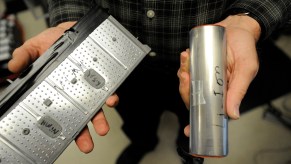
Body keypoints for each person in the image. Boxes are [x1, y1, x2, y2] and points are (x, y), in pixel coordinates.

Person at [8, 0, 291, 163]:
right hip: (118, 60)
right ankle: (143, 142)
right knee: (135, 117)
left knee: (195, 126)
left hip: (202, 62)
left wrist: (248, 19)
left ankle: (188, 149)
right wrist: (72, 26)